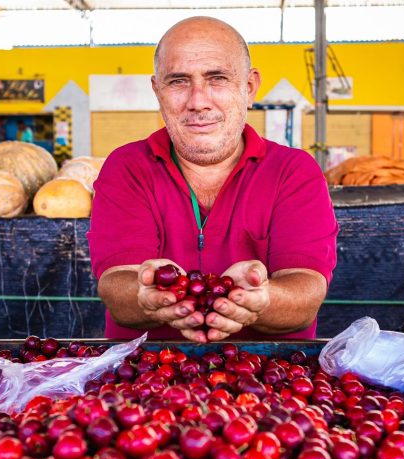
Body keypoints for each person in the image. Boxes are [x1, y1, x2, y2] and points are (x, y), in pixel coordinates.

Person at [87, 17, 339, 342]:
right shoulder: (127, 167)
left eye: (216, 78)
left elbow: (304, 288)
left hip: (267, 378)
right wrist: (144, 295)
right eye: (178, 81)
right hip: (144, 376)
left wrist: (261, 301)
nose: (198, 101)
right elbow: (117, 279)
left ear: (248, 88)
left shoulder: (294, 172)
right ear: (157, 90)